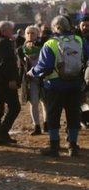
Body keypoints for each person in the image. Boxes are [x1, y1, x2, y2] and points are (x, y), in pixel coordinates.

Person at [27, 15, 89, 156]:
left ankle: (54, 146)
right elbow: (87, 59)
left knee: (53, 116)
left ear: (55, 27)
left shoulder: (50, 44)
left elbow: (45, 67)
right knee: (73, 115)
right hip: (75, 85)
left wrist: (32, 72)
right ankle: (72, 146)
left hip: (54, 85)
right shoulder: (80, 40)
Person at [17, 25, 45, 134]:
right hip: (30, 79)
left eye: (33, 33)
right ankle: (36, 126)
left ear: (37, 34)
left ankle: (47, 123)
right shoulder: (21, 50)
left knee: (45, 102)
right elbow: (20, 66)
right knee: (34, 103)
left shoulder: (43, 47)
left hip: (44, 78)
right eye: (28, 33)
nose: (30, 35)